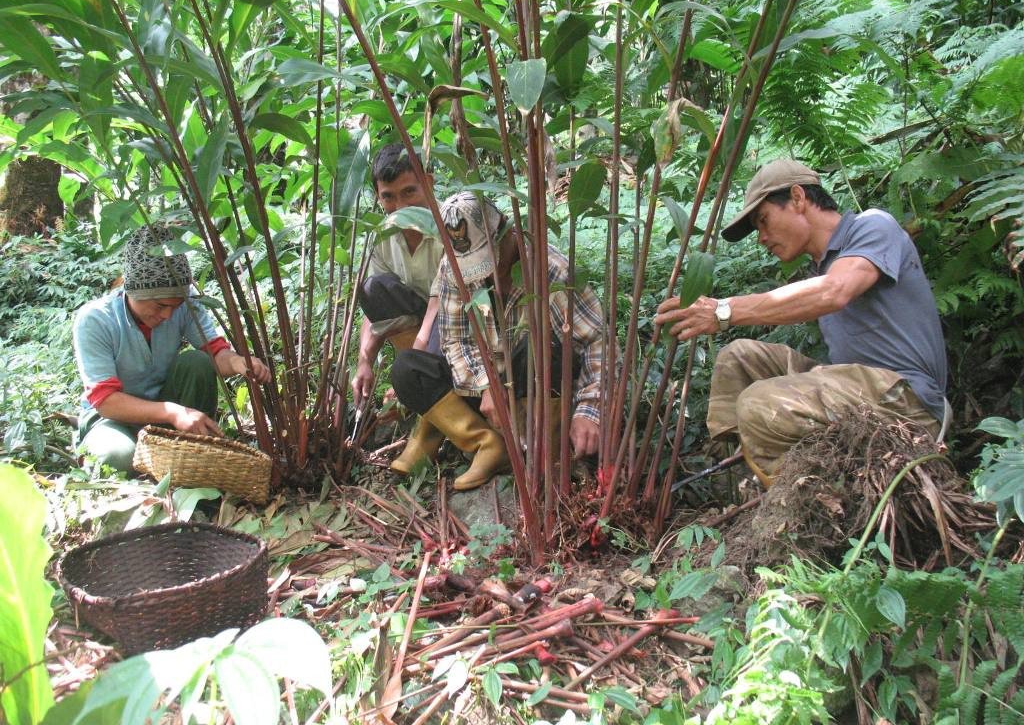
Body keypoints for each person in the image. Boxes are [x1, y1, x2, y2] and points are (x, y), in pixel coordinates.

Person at [655, 159, 948, 485]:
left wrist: (724, 311)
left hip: (906, 400)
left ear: (798, 198)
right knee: (738, 358)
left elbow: (834, 291)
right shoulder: (820, 268)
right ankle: (749, 478)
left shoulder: (874, 226)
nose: (762, 238)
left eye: (764, 220)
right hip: (856, 392)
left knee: (758, 404)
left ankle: (799, 504)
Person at [389, 192, 605, 490]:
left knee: (536, 347)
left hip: (539, 389)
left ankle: (545, 451)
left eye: (491, 260)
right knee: (407, 369)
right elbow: (455, 341)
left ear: (507, 231)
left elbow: (598, 343)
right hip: (488, 396)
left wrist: (589, 411)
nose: (487, 274)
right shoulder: (454, 268)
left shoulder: (552, 269)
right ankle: (489, 444)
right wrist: (486, 384)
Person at [72, 222, 272, 473]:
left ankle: (186, 449)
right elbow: (106, 401)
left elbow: (214, 352)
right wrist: (172, 413)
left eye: (174, 306)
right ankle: (157, 453)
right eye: (159, 306)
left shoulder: (185, 307)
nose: (167, 315)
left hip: (167, 412)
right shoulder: (95, 320)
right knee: (118, 457)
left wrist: (238, 362)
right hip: (111, 420)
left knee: (197, 362)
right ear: (133, 291)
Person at [350, 143, 444, 410]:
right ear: (378, 196)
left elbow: (440, 303)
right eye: (388, 197)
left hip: (458, 318)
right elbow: (375, 309)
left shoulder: (452, 225)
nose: (400, 207)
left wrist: (413, 362)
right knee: (372, 289)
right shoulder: (383, 235)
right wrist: (364, 360)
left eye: (409, 192)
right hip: (421, 317)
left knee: (421, 371)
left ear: (429, 182)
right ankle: (416, 376)